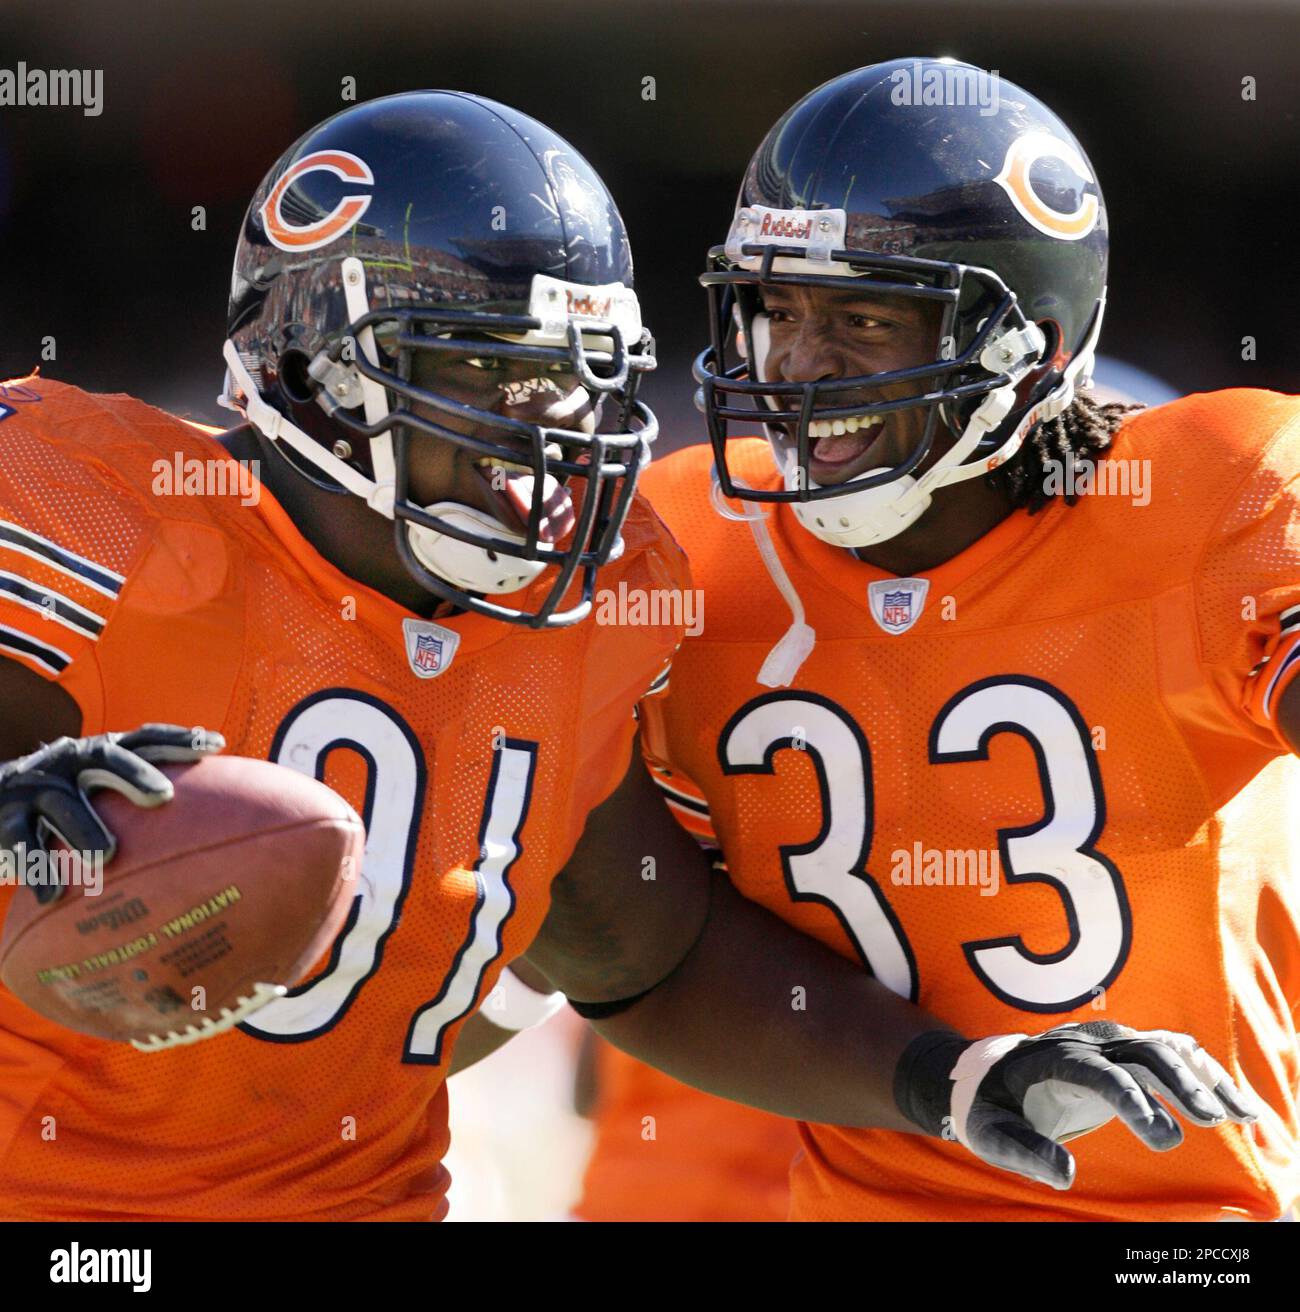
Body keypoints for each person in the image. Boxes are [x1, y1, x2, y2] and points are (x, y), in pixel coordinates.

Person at [514, 58, 1292, 1222]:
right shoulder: (677, 549)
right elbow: (636, 960)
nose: (802, 366)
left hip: (1181, 1230)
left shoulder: (1214, 494)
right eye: (776, 309)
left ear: (1028, 336)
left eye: (864, 316)